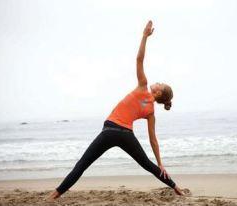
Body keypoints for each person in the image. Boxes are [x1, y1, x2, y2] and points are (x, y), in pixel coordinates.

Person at [48, 20, 184, 200]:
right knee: (147, 164)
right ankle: (175, 187)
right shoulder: (151, 112)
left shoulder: (143, 86)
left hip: (110, 130)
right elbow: (153, 140)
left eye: (160, 83)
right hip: (126, 135)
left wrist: (144, 37)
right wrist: (160, 164)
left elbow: (139, 59)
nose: (157, 82)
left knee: (82, 164)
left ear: (158, 92)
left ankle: (54, 196)